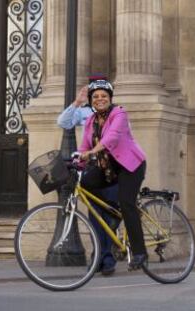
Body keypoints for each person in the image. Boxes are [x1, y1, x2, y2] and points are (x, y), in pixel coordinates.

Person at [78, 79, 148, 271]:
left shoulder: (119, 113)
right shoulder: (91, 121)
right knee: (83, 183)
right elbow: (84, 146)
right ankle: (112, 210)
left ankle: (140, 252)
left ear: (110, 98)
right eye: (96, 97)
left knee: (127, 203)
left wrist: (93, 152)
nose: (100, 99)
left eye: (104, 96)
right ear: (91, 100)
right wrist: (75, 161)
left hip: (131, 165)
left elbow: (112, 137)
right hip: (109, 168)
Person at [57, 75, 121, 276]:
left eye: (103, 93)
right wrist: (77, 101)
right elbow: (63, 122)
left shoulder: (115, 113)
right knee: (95, 216)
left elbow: (115, 140)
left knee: (110, 216)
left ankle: (105, 256)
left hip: (113, 170)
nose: (99, 97)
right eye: (94, 93)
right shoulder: (85, 112)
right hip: (93, 170)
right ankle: (102, 256)